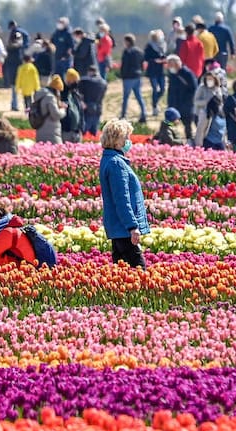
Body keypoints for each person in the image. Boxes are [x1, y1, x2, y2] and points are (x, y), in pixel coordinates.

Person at [99, 119, 149, 268]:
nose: (129, 141)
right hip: (123, 229)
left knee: (121, 274)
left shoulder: (108, 159)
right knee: (140, 274)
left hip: (117, 228)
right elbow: (122, 199)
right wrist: (132, 227)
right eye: (126, 138)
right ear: (117, 140)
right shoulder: (116, 163)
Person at [166, 55, 197, 142]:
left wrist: (188, 102)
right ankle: (170, 140)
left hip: (186, 104)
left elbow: (194, 88)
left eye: (170, 65)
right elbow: (170, 89)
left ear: (176, 64)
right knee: (169, 124)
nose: (169, 67)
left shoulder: (187, 73)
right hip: (174, 104)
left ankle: (189, 141)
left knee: (187, 124)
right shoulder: (172, 74)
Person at [119, 34, 147, 123]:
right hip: (138, 76)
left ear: (128, 42)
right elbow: (142, 64)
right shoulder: (139, 51)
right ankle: (143, 114)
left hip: (128, 77)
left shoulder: (127, 52)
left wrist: (122, 75)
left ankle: (123, 115)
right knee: (139, 96)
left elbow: (125, 65)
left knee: (126, 97)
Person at [32, 75, 67, 144]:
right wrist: (63, 110)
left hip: (40, 130)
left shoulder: (41, 96)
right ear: (56, 89)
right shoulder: (50, 98)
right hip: (51, 133)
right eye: (59, 91)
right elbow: (55, 114)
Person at [4, 21, 30, 111]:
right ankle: (26, 105)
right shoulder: (18, 50)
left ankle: (15, 105)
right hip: (18, 67)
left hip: (13, 69)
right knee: (21, 87)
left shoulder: (10, 48)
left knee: (14, 87)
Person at [194, 72, 222, 147]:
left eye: (211, 79)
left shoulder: (217, 88)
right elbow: (196, 101)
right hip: (202, 113)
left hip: (214, 113)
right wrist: (206, 101)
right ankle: (198, 146)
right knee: (200, 131)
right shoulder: (201, 87)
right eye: (208, 79)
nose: (209, 80)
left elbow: (220, 100)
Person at [79, 64, 107, 137]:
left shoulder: (86, 81)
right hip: (98, 108)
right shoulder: (103, 83)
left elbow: (81, 93)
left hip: (88, 108)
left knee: (84, 131)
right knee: (94, 132)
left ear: (89, 72)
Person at [144, 30, 166, 116]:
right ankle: (154, 106)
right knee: (155, 88)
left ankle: (155, 101)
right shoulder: (149, 46)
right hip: (152, 70)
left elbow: (164, 56)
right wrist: (154, 60)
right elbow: (146, 58)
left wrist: (164, 60)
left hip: (160, 71)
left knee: (163, 89)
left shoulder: (162, 46)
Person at [60, 68, 85, 143]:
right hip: (66, 131)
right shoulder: (62, 94)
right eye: (75, 81)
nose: (76, 83)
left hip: (77, 131)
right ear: (69, 81)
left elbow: (80, 111)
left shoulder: (76, 94)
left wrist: (81, 127)